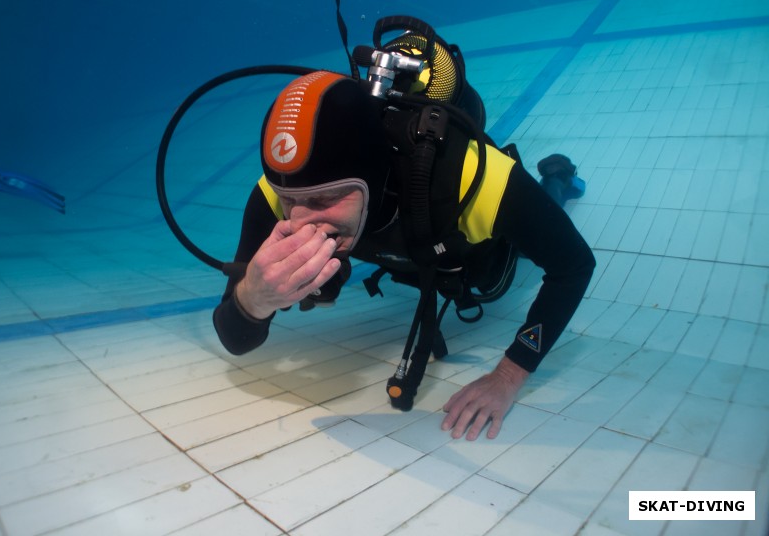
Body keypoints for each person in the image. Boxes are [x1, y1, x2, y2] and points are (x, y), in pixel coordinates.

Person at [213, 69, 595, 441]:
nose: (301, 222)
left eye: (326, 198)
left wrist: (508, 378)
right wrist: (254, 297)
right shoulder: (282, 183)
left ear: (374, 176)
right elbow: (235, 338)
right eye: (290, 202)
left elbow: (573, 266)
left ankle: (556, 180)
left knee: (497, 277)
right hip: (412, 247)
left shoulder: (470, 176)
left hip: (470, 253)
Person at [0, 167, 65, 213]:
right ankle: (57, 202)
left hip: (1, 181)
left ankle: (57, 202)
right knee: (33, 191)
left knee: (33, 192)